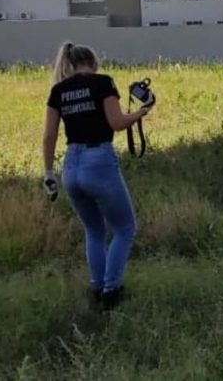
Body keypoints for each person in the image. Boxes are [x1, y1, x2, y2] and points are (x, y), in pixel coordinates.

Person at [42, 42, 155, 310]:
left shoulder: (58, 91)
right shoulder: (103, 83)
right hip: (99, 161)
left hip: (71, 165)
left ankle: (97, 286)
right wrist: (143, 110)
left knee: (94, 230)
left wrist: (48, 173)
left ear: (70, 64)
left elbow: (49, 136)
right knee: (125, 228)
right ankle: (111, 290)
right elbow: (116, 124)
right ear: (93, 62)